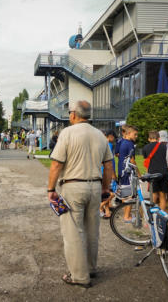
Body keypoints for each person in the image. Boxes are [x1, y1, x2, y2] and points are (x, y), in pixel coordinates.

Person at [47, 100, 113, 288]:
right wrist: (106, 188)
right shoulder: (100, 135)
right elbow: (108, 165)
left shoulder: (67, 133)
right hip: (95, 186)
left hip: (73, 186)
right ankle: (91, 268)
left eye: (70, 112)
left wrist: (51, 189)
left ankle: (79, 275)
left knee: (74, 232)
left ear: (74, 114)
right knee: (92, 230)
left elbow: (57, 164)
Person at [117, 125, 139, 222]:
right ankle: (127, 216)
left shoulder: (122, 142)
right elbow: (132, 160)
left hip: (121, 171)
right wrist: (139, 173)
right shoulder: (130, 144)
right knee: (130, 195)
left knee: (124, 193)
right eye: (135, 134)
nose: (136, 136)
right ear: (129, 133)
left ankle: (127, 214)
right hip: (128, 172)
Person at [143, 131, 168, 210]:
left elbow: (147, 161)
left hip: (153, 174)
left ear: (149, 139)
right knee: (162, 195)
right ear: (158, 138)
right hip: (164, 172)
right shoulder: (164, 146)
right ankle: (162, 215)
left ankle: (152, 214)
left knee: (154, 195)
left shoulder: (145, 148)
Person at [99, 130, 117, 218]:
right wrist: (113, 174)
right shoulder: (108, 145)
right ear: (110, 136)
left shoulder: (100, 144)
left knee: (105, 193)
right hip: (107, 172)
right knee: (112, 193)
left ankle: (107, 211)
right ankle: (100, 206)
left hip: (102, 171)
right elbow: (108, 162)